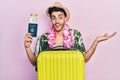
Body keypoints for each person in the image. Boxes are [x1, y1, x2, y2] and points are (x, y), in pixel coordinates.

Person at [24, 2, 117, 67]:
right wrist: (27, 47)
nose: (56, 21)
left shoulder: (75, 35)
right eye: (53, 18)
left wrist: (96, 42)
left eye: (60, 17)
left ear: (65, 18)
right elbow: (35, 63)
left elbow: (84, 59)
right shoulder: (43, 38)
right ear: (51, 19)